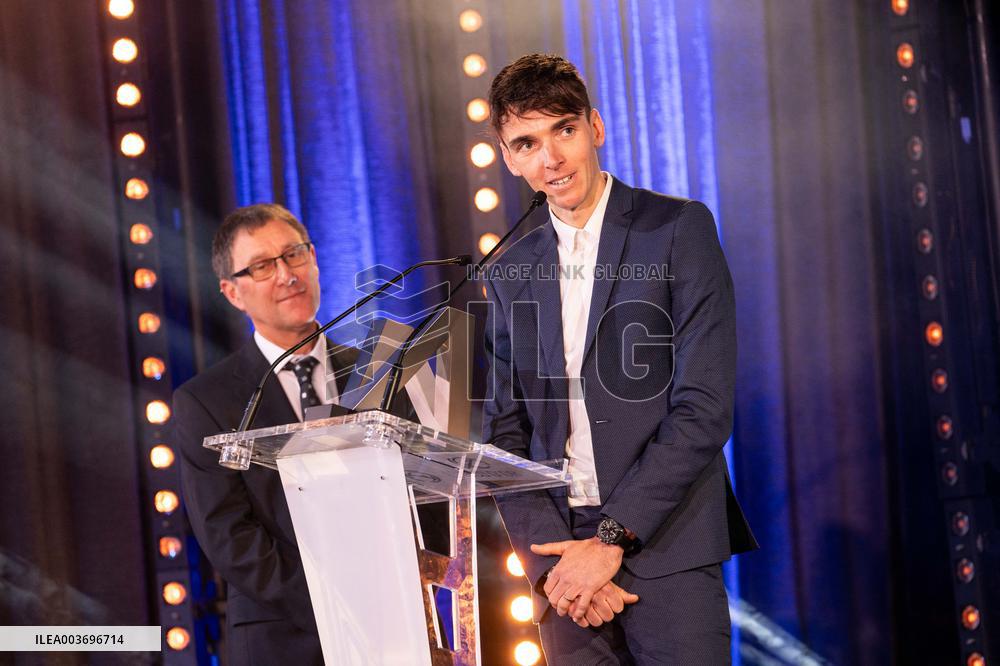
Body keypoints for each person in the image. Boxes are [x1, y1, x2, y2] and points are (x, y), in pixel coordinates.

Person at [482, 54, 758, 663]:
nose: (550, 159)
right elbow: (504, 432)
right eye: (527, 143)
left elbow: (704, 408)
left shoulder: (677, 228)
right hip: (562, 565)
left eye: (564, 130)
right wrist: (557, 557)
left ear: (595, 127)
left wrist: (610, 540)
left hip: (667, 544)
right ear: (510, 158)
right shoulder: (509, 271)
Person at [172, 204, 357, 665]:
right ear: (232, 292)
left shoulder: (376, 370)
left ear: (313, 258)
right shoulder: (206, 401)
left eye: (294, 255)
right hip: (282, 637)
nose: (285, 275)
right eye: (261, 266)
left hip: (395, 625)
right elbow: (229, 535)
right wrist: (336, 603)